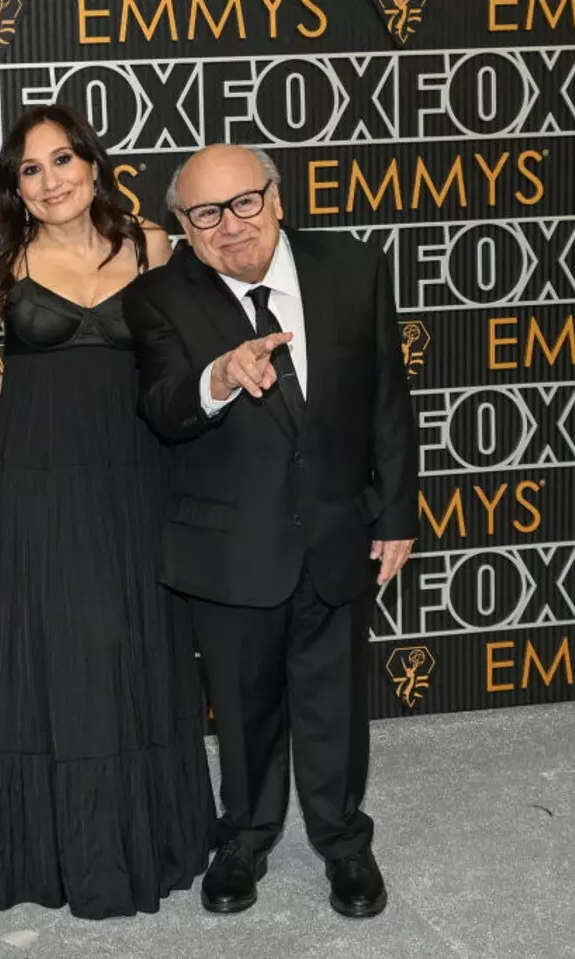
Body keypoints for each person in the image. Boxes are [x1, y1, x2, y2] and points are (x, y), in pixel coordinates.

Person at [122, 144, 419, 918]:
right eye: (205, 215)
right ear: (182, 226)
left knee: (335, 704)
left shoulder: (353, 269)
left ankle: (344, 842)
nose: (230, 228)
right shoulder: (157, 297)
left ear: (277, 199)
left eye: (245, 203)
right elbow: (160, 408)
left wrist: (394, 515)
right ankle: (245, 839)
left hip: (335, 533)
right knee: (245, 708)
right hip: (228, 546)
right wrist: (217, 379)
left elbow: (388, 397)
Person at [0, 104, 215, 919]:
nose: (49, 181)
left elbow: (189, 352)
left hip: (136, 468)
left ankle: (142, 835)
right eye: (29, 170)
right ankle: (60, 848)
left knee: (132, 638)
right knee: (58, 647)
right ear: (15, 188)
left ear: (95, 165)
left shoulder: (151, 244)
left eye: (63, 160)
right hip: (38, 477)